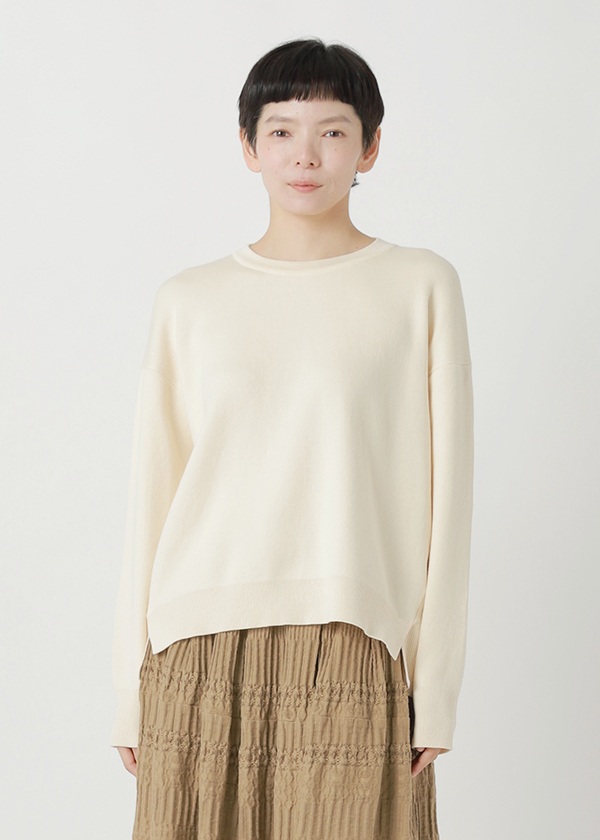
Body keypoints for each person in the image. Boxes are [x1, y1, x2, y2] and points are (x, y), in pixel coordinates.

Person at [111, 37, 474, 840]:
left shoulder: (420, 285)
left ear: (369, 148)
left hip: (352, 644)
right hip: (196, 652)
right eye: (281, 131)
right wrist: (125, 691)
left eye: (333, 131)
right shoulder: (189, 300)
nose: (305, 155)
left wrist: (438, 685)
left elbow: (450, 503)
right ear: (249, 146)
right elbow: (152, 497)